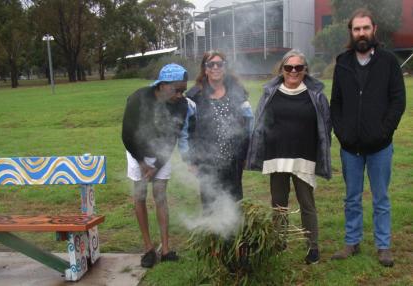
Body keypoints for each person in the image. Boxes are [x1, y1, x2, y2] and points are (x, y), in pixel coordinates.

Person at [330, 8, 406, 267]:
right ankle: (352, 242)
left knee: (381, 197)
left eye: (365, 28)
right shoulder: (342, 63)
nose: (361, 33)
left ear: (374, 30)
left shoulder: (388, 62)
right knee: (351, 197)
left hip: (380, 146)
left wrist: (384, 131)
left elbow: (398, 101)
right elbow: (336, 104)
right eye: (356, 29)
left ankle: (383, 246)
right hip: (350, 147)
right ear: (351, 32)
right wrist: (342, 133)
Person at [247, 49, 332, 265]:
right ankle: (279, 241)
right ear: (282, 70)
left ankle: (312, 247)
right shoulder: (271, 93)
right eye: (289, 67)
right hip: (276, 157)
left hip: (304, 158)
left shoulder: (316, 95)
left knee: (307, 204)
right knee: (279, 204)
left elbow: (325, 126)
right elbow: (260, 123)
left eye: (298, 67)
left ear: (305, 70)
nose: (293, 71)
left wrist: (321, 154)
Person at [122, 63, 196, 268]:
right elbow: (127, 134)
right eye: (177, 90)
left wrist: (157, 165)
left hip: (161, 153)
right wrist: (141, 162)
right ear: (162, 85)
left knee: (160, 196)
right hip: (136, 150)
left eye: (183, 90)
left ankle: (165, 249)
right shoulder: (138, 98)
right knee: (140, 195)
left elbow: (173, 138)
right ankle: (148, 248)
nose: (181, 95)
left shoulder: (182, 105)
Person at [186, 50, 253, 211]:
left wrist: (246, 154)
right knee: (210, 202)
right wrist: (192, 160)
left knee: (234, 200)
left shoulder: (238, 92)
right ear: (205, 69)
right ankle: (213, 233)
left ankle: (234, 234)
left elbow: (247, 126)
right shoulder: (194, 96)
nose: (215, 67)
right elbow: (188, 131)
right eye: (211, 64)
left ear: (225, 67)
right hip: (206, 160)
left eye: (219, 64)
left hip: (234, 159)